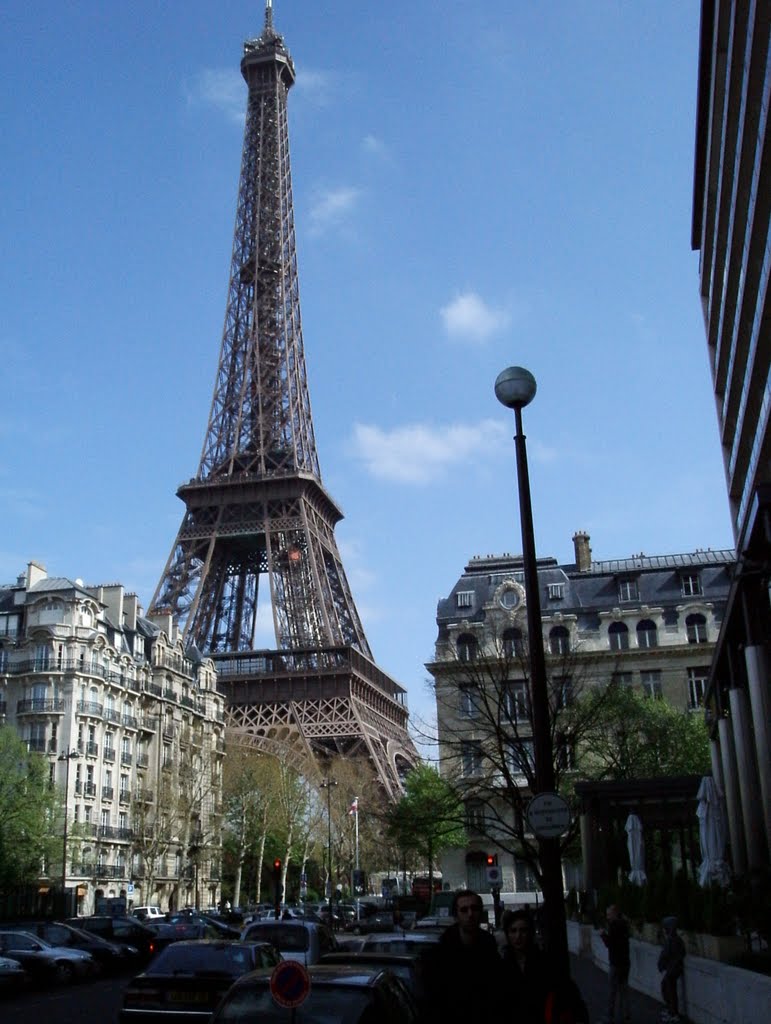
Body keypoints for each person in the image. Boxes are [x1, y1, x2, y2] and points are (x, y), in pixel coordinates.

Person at [420, 889, 504, 1024]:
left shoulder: (489, 944)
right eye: (464, 910)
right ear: (456, 915)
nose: (470, 914)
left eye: (474, 909)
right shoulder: (442, 952)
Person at [500, 907, 548, 1024]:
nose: (518, 936)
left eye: (523, 931)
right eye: (513, 931)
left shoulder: (544, 962)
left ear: (530, 933)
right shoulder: (501, 965)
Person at [600, 904, 630, 1024]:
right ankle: (625, 1015)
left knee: (612, 991)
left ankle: (609, 1017)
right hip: (625, 962)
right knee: (624, 990)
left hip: (616, 963)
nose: (607, 917)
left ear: (614, 914)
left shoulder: (613, 925)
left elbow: (610, 944)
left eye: (608, 914)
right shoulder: (624, 924)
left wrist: (603, 934)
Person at [657, 916, 686, 1021]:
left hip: (673, 970)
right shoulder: (675, 940)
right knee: (667, 989)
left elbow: (666, 954)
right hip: (673, 969)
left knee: (669, 991)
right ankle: (671, 1011)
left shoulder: (672, 940)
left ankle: (673, 1013)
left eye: (665, 928)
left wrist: (663, 964)